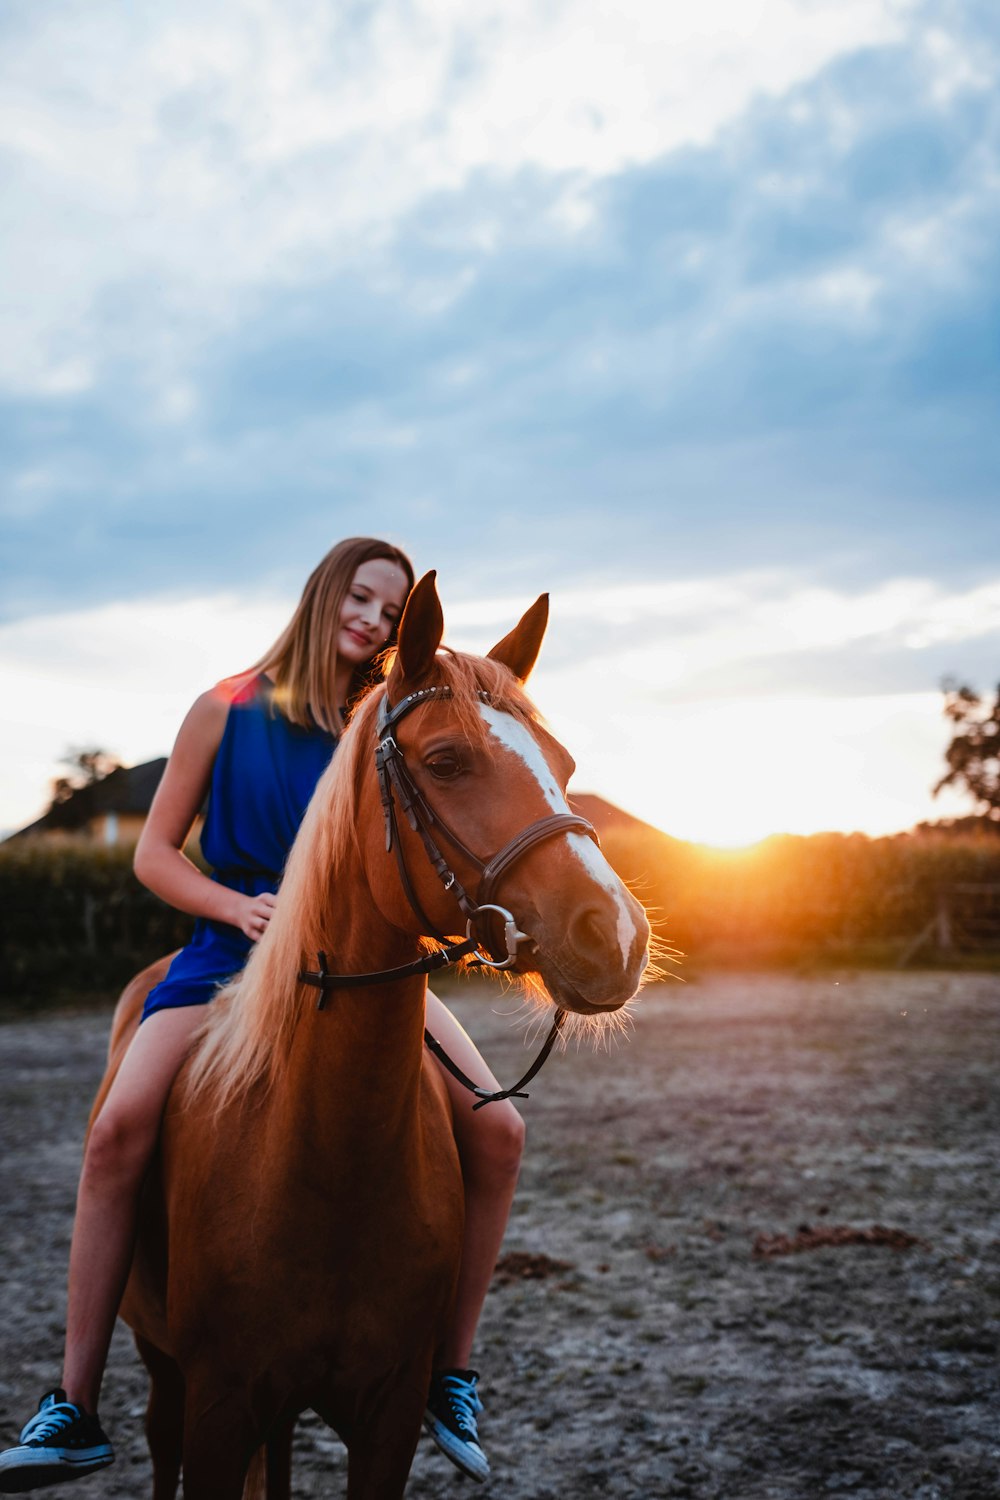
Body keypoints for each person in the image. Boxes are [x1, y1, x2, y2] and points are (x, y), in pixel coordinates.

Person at [0, 537, 524, 1493]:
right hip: (231, 957)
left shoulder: (383, 723)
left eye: (389, 611)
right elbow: (153, 854)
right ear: (324, 596)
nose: (370, 620)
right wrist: (231, 907)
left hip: (360, 968)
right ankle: (72, 1402)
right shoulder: (224, 708)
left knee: (500, 1129)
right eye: (358, 598)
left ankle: (452, 1374)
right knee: (117, 1129)